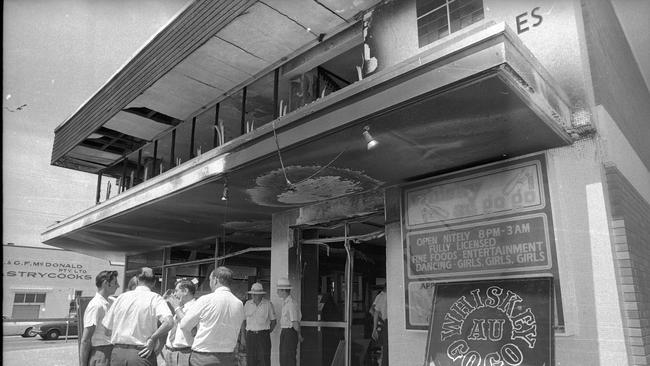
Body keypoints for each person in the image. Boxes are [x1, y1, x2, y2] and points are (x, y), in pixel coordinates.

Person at [102, 267, 174, 366]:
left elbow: (107, 330)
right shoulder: (155, 298)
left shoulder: (121, 297)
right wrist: (153, 338)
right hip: (141, 353)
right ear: (153, 283)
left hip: (118, 354)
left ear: (137, 280)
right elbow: (169, 322)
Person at [179, 266, 245, 366]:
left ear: (215, 280)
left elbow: (184, 325)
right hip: (229, 357)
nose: (209, 283)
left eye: (210, 280)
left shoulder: (206, 300)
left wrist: (193, 337)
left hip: (203, 357)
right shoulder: (239, 304)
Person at [80, 270, 120, 366]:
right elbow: (85, 340)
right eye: (115, 283)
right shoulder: (96, 305)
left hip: (112, 351)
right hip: (101, 354)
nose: (118, 286)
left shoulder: (112, 302)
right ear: (106, 283)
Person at [162, 279, 197, 366]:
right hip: (170, 352)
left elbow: (191, 327)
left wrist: (177, 307)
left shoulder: (195, 307)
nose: (174, 294)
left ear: (185, 291)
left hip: (184, 353)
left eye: (176, 291)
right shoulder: (181, 308)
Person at [243, 282, 277, 366]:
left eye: (256, 294)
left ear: (261, 295)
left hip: (263, 336)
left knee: (264, 361)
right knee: (250, 361)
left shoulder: (268, 304)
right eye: (253, 294)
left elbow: (274, 321)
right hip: (250, 336)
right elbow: (243, 321)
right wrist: (244, 337)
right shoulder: (247, 304)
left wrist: (266, 332)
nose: (254, 296)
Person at [276, 277, 302, 366]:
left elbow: (295, 323)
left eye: (278, 290)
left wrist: (298, 335)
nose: (277, 292)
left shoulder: (291, 304)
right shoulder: (286, 302)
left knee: (288, 359)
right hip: (286, 332)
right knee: (284, 359)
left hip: (289, 332)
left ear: (283, 290)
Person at [371, 285, 387, 366]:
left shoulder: (382, 296)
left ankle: (381, 362)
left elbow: (374, 311)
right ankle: (381, 362)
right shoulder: (381, 296)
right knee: (384, 349)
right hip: (384, 324)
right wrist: (381, 320)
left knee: (384, 349)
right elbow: (372, 310)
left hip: (384, 324)